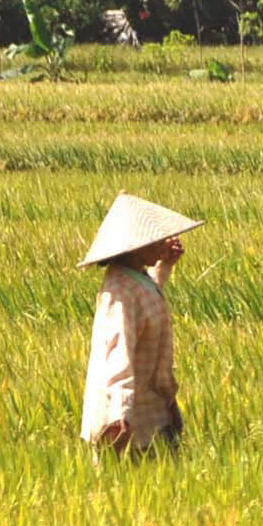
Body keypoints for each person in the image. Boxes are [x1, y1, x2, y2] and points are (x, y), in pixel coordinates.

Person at [79, 193, 204, 454]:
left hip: (152, 410)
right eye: (154, 240)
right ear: (134, 247)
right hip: (130, 423)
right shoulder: (119, 293)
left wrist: (164, 266)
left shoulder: (135, 279)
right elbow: (118, 352)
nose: (163, 242)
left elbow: (148, 299)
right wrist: (119, 416)